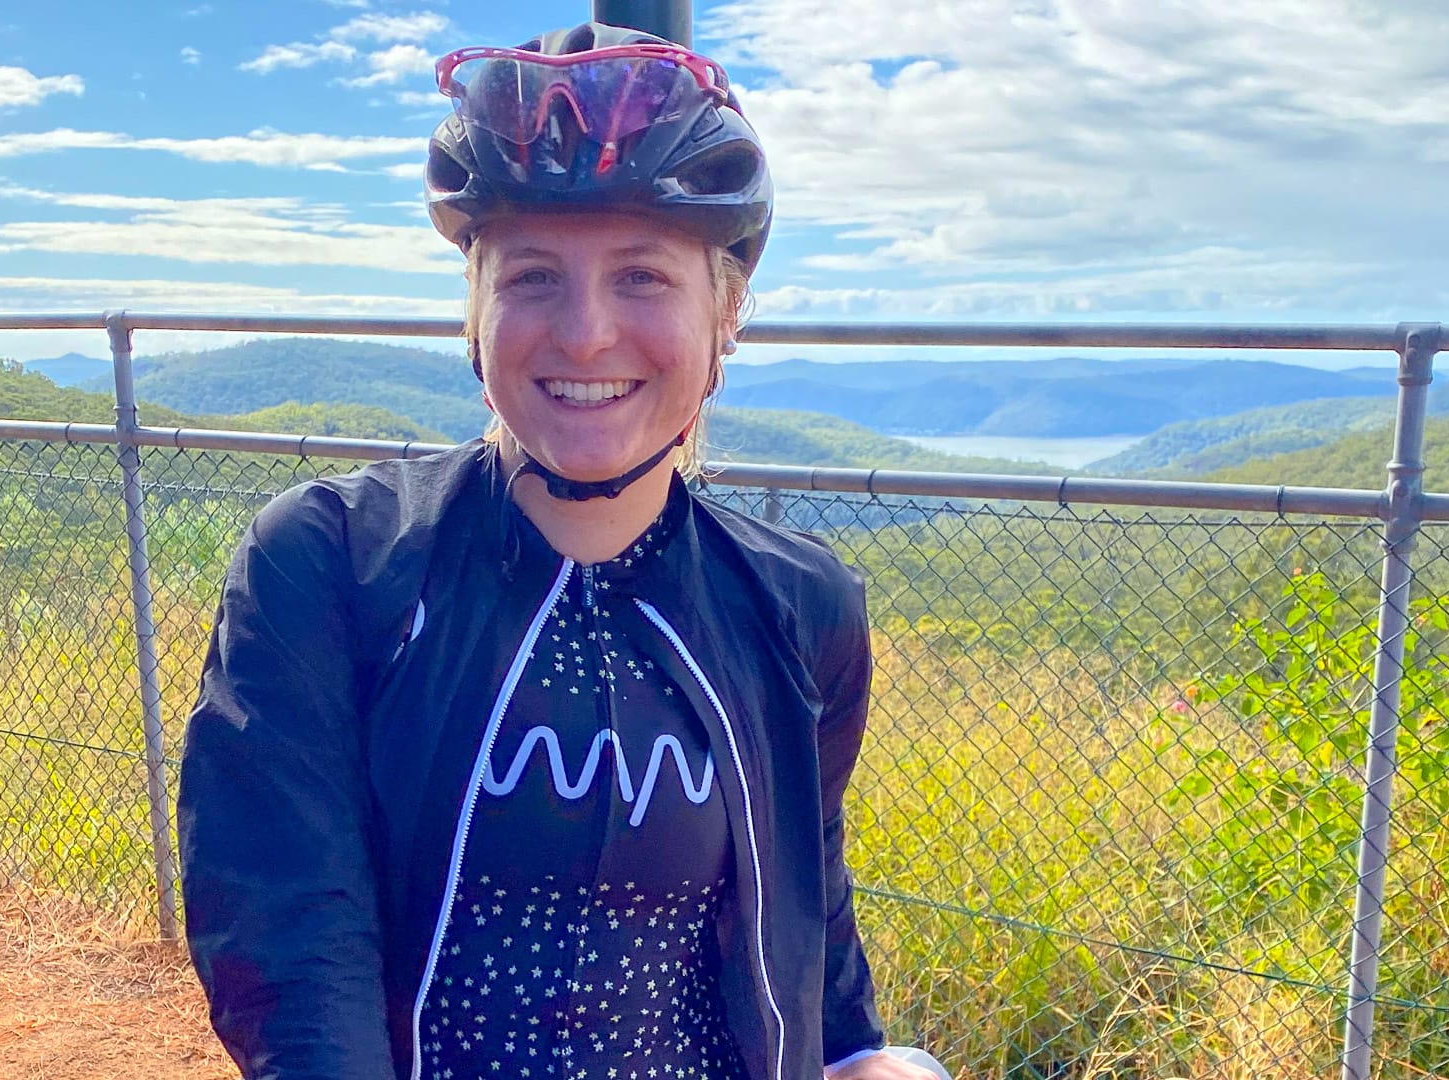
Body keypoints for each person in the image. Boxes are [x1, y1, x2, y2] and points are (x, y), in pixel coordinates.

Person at [177, 22, 939, 1080]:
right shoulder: (331, 566)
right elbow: (294, 950)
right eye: (533, 276)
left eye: (643, 278)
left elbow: (805, 915)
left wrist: (867, 1057)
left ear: (726, 318)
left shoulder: (800, 608)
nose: (584, 332)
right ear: (474, 314)